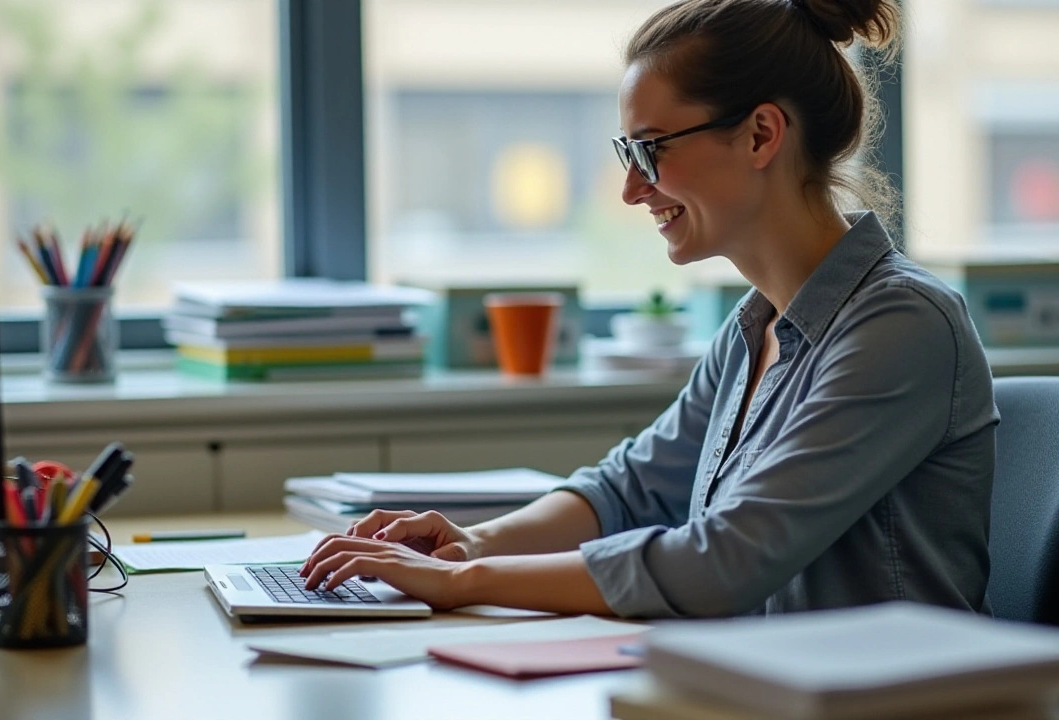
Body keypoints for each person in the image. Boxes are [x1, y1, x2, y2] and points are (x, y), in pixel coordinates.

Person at [300, 0, 1000, 619]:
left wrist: (466, 581)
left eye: (650, 150)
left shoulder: (901, 327)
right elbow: (628, 489)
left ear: (761, 135)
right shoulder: (754, 331)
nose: (633, 190)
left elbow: (723, 563)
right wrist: (469, 544)